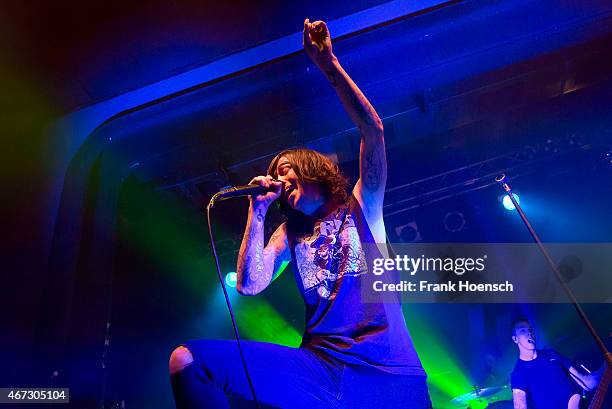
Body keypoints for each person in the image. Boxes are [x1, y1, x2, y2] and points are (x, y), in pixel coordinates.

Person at [169, 18, 431, 409]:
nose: (277, 177)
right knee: (188, 361)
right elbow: (249, 285)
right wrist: (257, 212)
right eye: (274, 174)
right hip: (320, 370)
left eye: (285, 169)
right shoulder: (288, 236)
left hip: (389, 375)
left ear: (313, 170)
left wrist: (328, 64)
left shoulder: (362, 205)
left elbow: (373, 131)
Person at [510, 317, 603, 409]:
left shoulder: (551, 354)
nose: (529, 333)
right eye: (523, 331)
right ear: (515, 339)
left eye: (530, 330)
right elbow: (520, 405)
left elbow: (585, 382)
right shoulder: (518, 373)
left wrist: (605, 368)